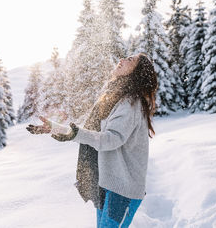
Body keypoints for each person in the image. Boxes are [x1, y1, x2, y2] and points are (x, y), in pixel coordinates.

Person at [26, 53, 158, 228]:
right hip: (106, 183)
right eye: (125, 57)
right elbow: (89, 131)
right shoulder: (114, 97)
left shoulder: (130, 103)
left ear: (137, 72)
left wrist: (74, 134)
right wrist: (55, 128)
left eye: (130, 60)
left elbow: (111, 139)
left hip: (122, 190)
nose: (122, 60)